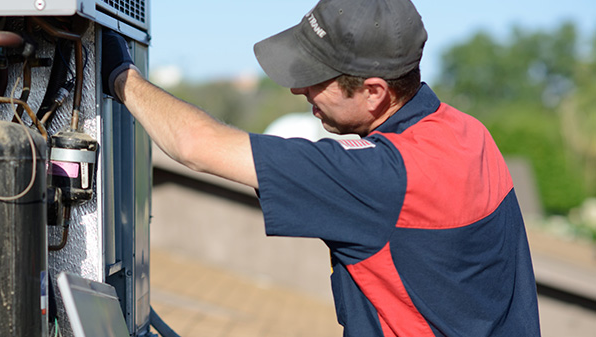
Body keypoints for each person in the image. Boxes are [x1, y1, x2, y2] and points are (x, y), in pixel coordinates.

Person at [101, 0, 541, 335]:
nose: (297, 87)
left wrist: (121, 73)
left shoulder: (379, 178)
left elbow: (196, 145)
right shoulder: (468, 133)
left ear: (373, 92)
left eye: (316, 76)